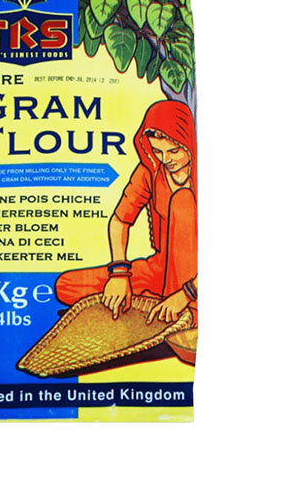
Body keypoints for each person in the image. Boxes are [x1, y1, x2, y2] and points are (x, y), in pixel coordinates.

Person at [55, 100, 198, 357]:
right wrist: (119, 274)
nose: (166, 159)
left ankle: (183, 312)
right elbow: (120, 220)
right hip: (160, 268)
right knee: (67, 286)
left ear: (189, 142)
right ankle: (155, 301)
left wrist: (186, 293)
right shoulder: (150, 170)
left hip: (195, 280)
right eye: (158, 151)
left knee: (183, 201)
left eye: (174, 151)